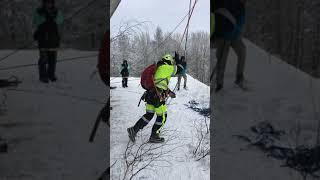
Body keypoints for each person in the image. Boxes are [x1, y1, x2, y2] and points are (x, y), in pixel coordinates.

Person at [127, 54, 177, 143]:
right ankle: (154, 136)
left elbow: (159, 84)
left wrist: (168, 92)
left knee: (149, 115)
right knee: (162, 116)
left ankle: (133, 130)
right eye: (172, 62)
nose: (172, 64)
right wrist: (180, 62)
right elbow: (180, 69)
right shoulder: (166, 67)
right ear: (169, 61)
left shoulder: (158, 68)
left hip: (150, 95)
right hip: (157, 97)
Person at [213, 0, 246, 92]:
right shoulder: (229, 4)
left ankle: (239, 78)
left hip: (235, 36)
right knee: (222, 60)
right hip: (224, 35)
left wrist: (238, 33)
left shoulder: (241, 6)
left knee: (242, 51)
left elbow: (240, 22)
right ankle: (219, 84)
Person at [33, 0, 63, 83]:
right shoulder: (39, 11)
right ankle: (43, 76)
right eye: (47, 2)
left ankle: (51, 74)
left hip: (53, 39)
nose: (49, 4)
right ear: (44, 3)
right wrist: (45, 19)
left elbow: (60, 21)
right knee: (43, 58)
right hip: (43, 38)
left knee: (52, 59)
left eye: (50, 2)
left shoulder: (57, 11)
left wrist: (54, 17)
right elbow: (36, 21)